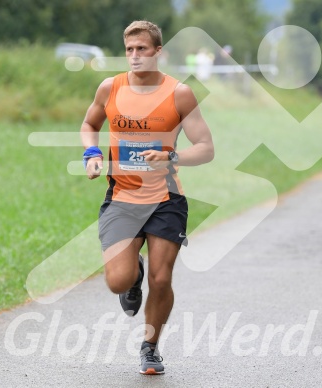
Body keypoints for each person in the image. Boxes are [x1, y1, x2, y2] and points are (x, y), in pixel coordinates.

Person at [80, 20, 214, 375]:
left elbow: (206, 148)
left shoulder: (179, 93)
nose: (135, 56)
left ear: (157, 52)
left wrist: (171, 156)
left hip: (166, 198)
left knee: (162, 278)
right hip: (122, 196)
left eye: (142, 49)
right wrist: (91, 155)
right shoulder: (110, 88)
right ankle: (132, 272)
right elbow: (89, 125)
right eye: (129, 50)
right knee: (117, 281)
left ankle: (150, 347)